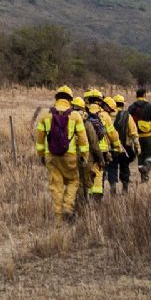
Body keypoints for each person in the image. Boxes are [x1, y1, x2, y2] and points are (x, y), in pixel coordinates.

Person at [36, 86, 90, 222]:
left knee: (56, 186)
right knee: (73, 181)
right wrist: (84, 156)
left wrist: (41, 155)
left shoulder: (45, 115)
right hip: (70, 156)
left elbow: (40, 139)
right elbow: (83, 140)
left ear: (56, 98)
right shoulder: (76, 116)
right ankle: (67, 207)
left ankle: (58, 219)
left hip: (51, 156)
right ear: (70, 100)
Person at [84, 89, 122, 201]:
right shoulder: (104, 116)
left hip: (85, 149)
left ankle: (86, 197)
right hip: (102, 150)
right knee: (99, 174)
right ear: (100, 101)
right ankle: (97, 198)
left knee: (87, 172)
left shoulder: (83, 113)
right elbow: (113, 134)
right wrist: (117, 147)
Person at [71, 97, 103, 208]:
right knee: (83, 184)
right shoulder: (85, 123)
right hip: (84, 158)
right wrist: (100, 159)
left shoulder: (65, 120)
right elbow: (94, 143)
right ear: (83, 109)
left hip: (67, 156)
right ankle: (80, 207)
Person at [106, 95, 141, 195]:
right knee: (124, 167)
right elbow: (133, 133)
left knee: (112, 168)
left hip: (111, 148)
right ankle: (125, 189)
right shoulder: (127, 116)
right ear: (123, 104)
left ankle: (113, 191)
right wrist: (137, 147)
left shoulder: (107, 115)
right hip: (125, 148)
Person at [127, 88, 151, 182]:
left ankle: (144, 178)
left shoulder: (132, 107)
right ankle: (146, 168)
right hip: (149, 136)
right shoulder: (150, 106)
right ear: (145, 95)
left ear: (136, 96)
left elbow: (127, 121)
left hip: (137, 137)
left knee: (140, 156)